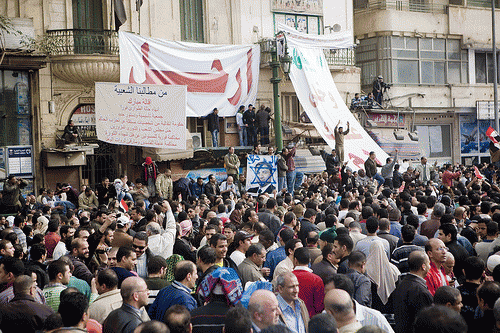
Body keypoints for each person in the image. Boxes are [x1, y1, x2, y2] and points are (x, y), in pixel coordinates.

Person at [392, 251, 433, 333]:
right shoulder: (421, 291)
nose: (430, 267)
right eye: (429, 263)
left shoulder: (401, 284)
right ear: (423, 266)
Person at [292, 247, 324, 318]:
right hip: (310, 319)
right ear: (309, 260)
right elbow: (319, 307)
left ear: (295, 260)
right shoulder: (317, 279)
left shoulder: (287, 277)